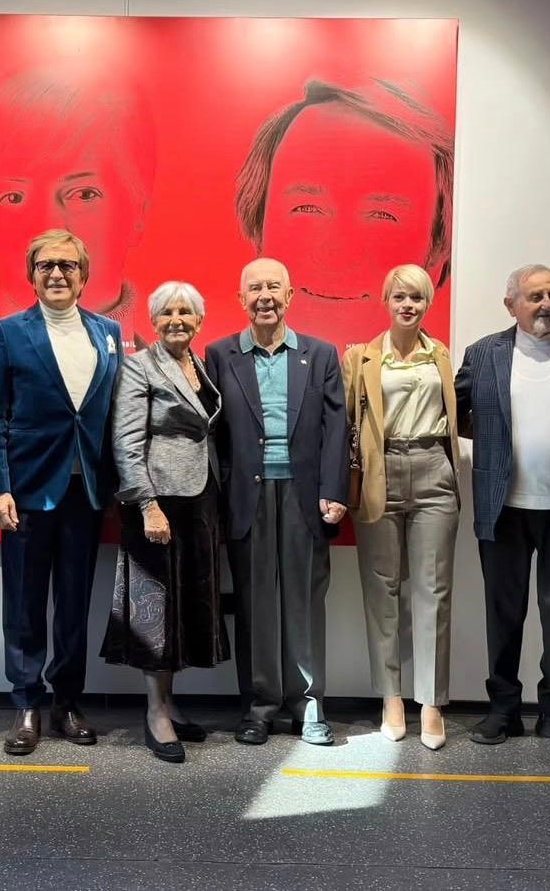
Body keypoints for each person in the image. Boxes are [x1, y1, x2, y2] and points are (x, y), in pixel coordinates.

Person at [0, 229, 122, 755]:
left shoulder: (108, 333)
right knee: (24, 603)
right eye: (46, 265)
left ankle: (66, 701)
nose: (57, 273)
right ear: (32, 275)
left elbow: (112, 413)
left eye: (67, 265)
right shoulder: (8, 333)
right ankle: (26, 703)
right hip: (27, 489)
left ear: (83, 276)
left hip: (87, 491)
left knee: (73, 603)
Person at [454, 265, 550, 751]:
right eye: (535, 296)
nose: (546, 304)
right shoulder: (483, 353)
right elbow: (453, 411)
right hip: (504, 508)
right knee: (504, 613)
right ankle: (503, 710)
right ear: (511, 305)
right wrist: (495, 443)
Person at [205, 258, 349, 746]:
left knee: (305, 602)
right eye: (255, 288)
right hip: (247, 497)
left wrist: (334, 490)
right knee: (255, 606)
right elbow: (212, 434)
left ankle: (309, 705)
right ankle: (259, 706)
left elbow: (336, 427)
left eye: (273, 287)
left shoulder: (320, 354)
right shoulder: (219, 355)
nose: (264, 296)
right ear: (240, 299)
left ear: (290, 296)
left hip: (304, 497)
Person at [104, 281, 230, 763]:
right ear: (153, 321)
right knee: (156, 609)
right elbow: (126, 441)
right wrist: (146, 504)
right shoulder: (139, 366)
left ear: (199, 320)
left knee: (182, 607)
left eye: (185, 312)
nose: (177, 320)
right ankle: (155, 712)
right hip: (158, 504)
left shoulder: (201, 365)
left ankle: (169, 704)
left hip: (199, 500)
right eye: (167, 313)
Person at [235, 79, 453, 350]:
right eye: (306, 209)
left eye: (382, 215)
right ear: (259, 228)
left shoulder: (438, 366)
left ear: (437, 247)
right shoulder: (224, 364)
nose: (338, 250)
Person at [341, 265, 460, 750]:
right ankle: (391, 698)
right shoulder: (361, 358)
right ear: (386, 301)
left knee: (434, 590)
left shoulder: (441, 356)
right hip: (380, 470)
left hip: (434, 469)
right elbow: (347, 424)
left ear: (427, 303)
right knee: (382, 590)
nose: (408, 305)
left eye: (417, 297)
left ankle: (430, 702)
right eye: (400, 297)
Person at [0, 68, 156, 352]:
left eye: (83, 194)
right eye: (14, 197)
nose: (49, 228)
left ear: (138, 213)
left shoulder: (160, 365)